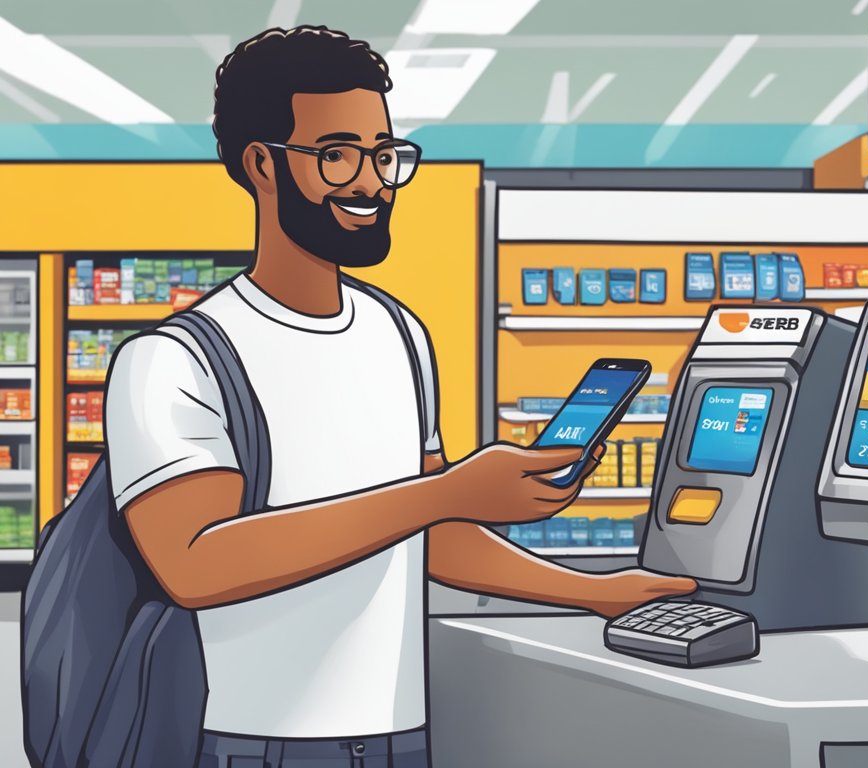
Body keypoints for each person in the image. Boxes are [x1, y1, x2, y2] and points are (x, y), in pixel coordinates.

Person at [105, 25, 696, 768]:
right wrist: (444, 492)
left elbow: (434, 538)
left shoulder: (398, 333)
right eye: (338, 155)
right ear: (261, 164)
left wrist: (592, 592)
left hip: (395, 739)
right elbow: (195, 564)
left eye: (384, 155)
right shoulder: (173, 360)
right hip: (243, 743)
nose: (372, 181)